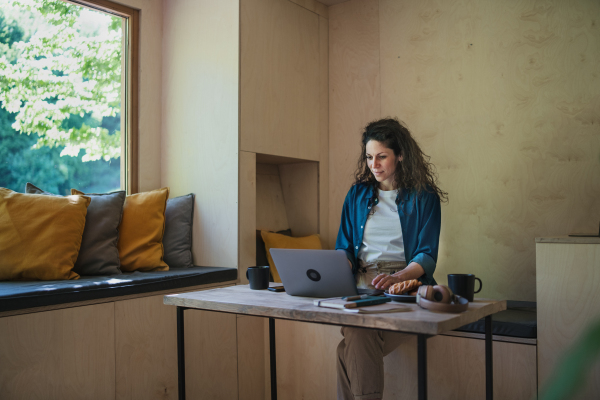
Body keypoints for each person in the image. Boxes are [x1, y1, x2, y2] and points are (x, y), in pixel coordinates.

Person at [335, 117, 448, 400]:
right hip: (360, 287)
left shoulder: (424, 196)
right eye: (370, 157)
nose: (374, 164)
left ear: (400, 155)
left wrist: (398, 278)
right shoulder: (357, 194)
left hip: (405, 288)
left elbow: (426, 254)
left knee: (354, 336)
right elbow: (344, 248)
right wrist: (338, 266)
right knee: (352, 340)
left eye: (382, 156)